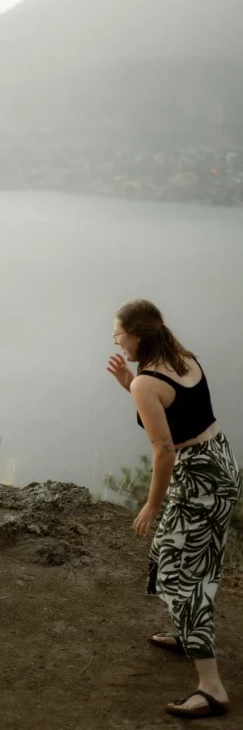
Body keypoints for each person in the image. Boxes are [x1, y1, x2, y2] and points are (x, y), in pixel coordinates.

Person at [107, 299, 241, 719]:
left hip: (197, 481)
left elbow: (163, 448)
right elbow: (179, 412)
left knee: (182, 576)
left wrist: (151, 503)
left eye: (117, 335)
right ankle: (188, 634)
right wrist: (129, 382)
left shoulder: (146, 383)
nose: (115, 341)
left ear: (137, 335)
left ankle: (212, 688)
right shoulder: (183, 357)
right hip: (219, 464)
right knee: (170, 552)